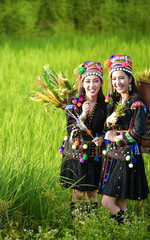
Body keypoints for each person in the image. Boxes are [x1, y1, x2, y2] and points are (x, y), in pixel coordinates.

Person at [98, 55, 149, 223]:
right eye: (114, 78)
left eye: (121, 78)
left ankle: (129, 227)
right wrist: (108, 120)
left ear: (130, 79)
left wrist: (115, 137)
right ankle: (125, 233)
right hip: (113, 156)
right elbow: (106, 130)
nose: (117, 82)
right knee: (120, 202)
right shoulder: (114, 101)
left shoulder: (136, 101)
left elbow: (138, 131)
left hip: (127, 157)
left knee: (106, 203)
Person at [59, 61, 107, 212]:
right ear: (82, 83)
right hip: (77, 152)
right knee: (78, 192)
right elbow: (70, 129)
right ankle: (77, 225)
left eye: (95, 81)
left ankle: (91, 224)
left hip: (95, 154)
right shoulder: (73, 104)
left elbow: (109, 128)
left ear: (101, 83)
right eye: (87, 81)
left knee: (92, 191)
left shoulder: (105, 105)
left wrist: (103, 138)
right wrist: (83, 115)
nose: (91, 85)